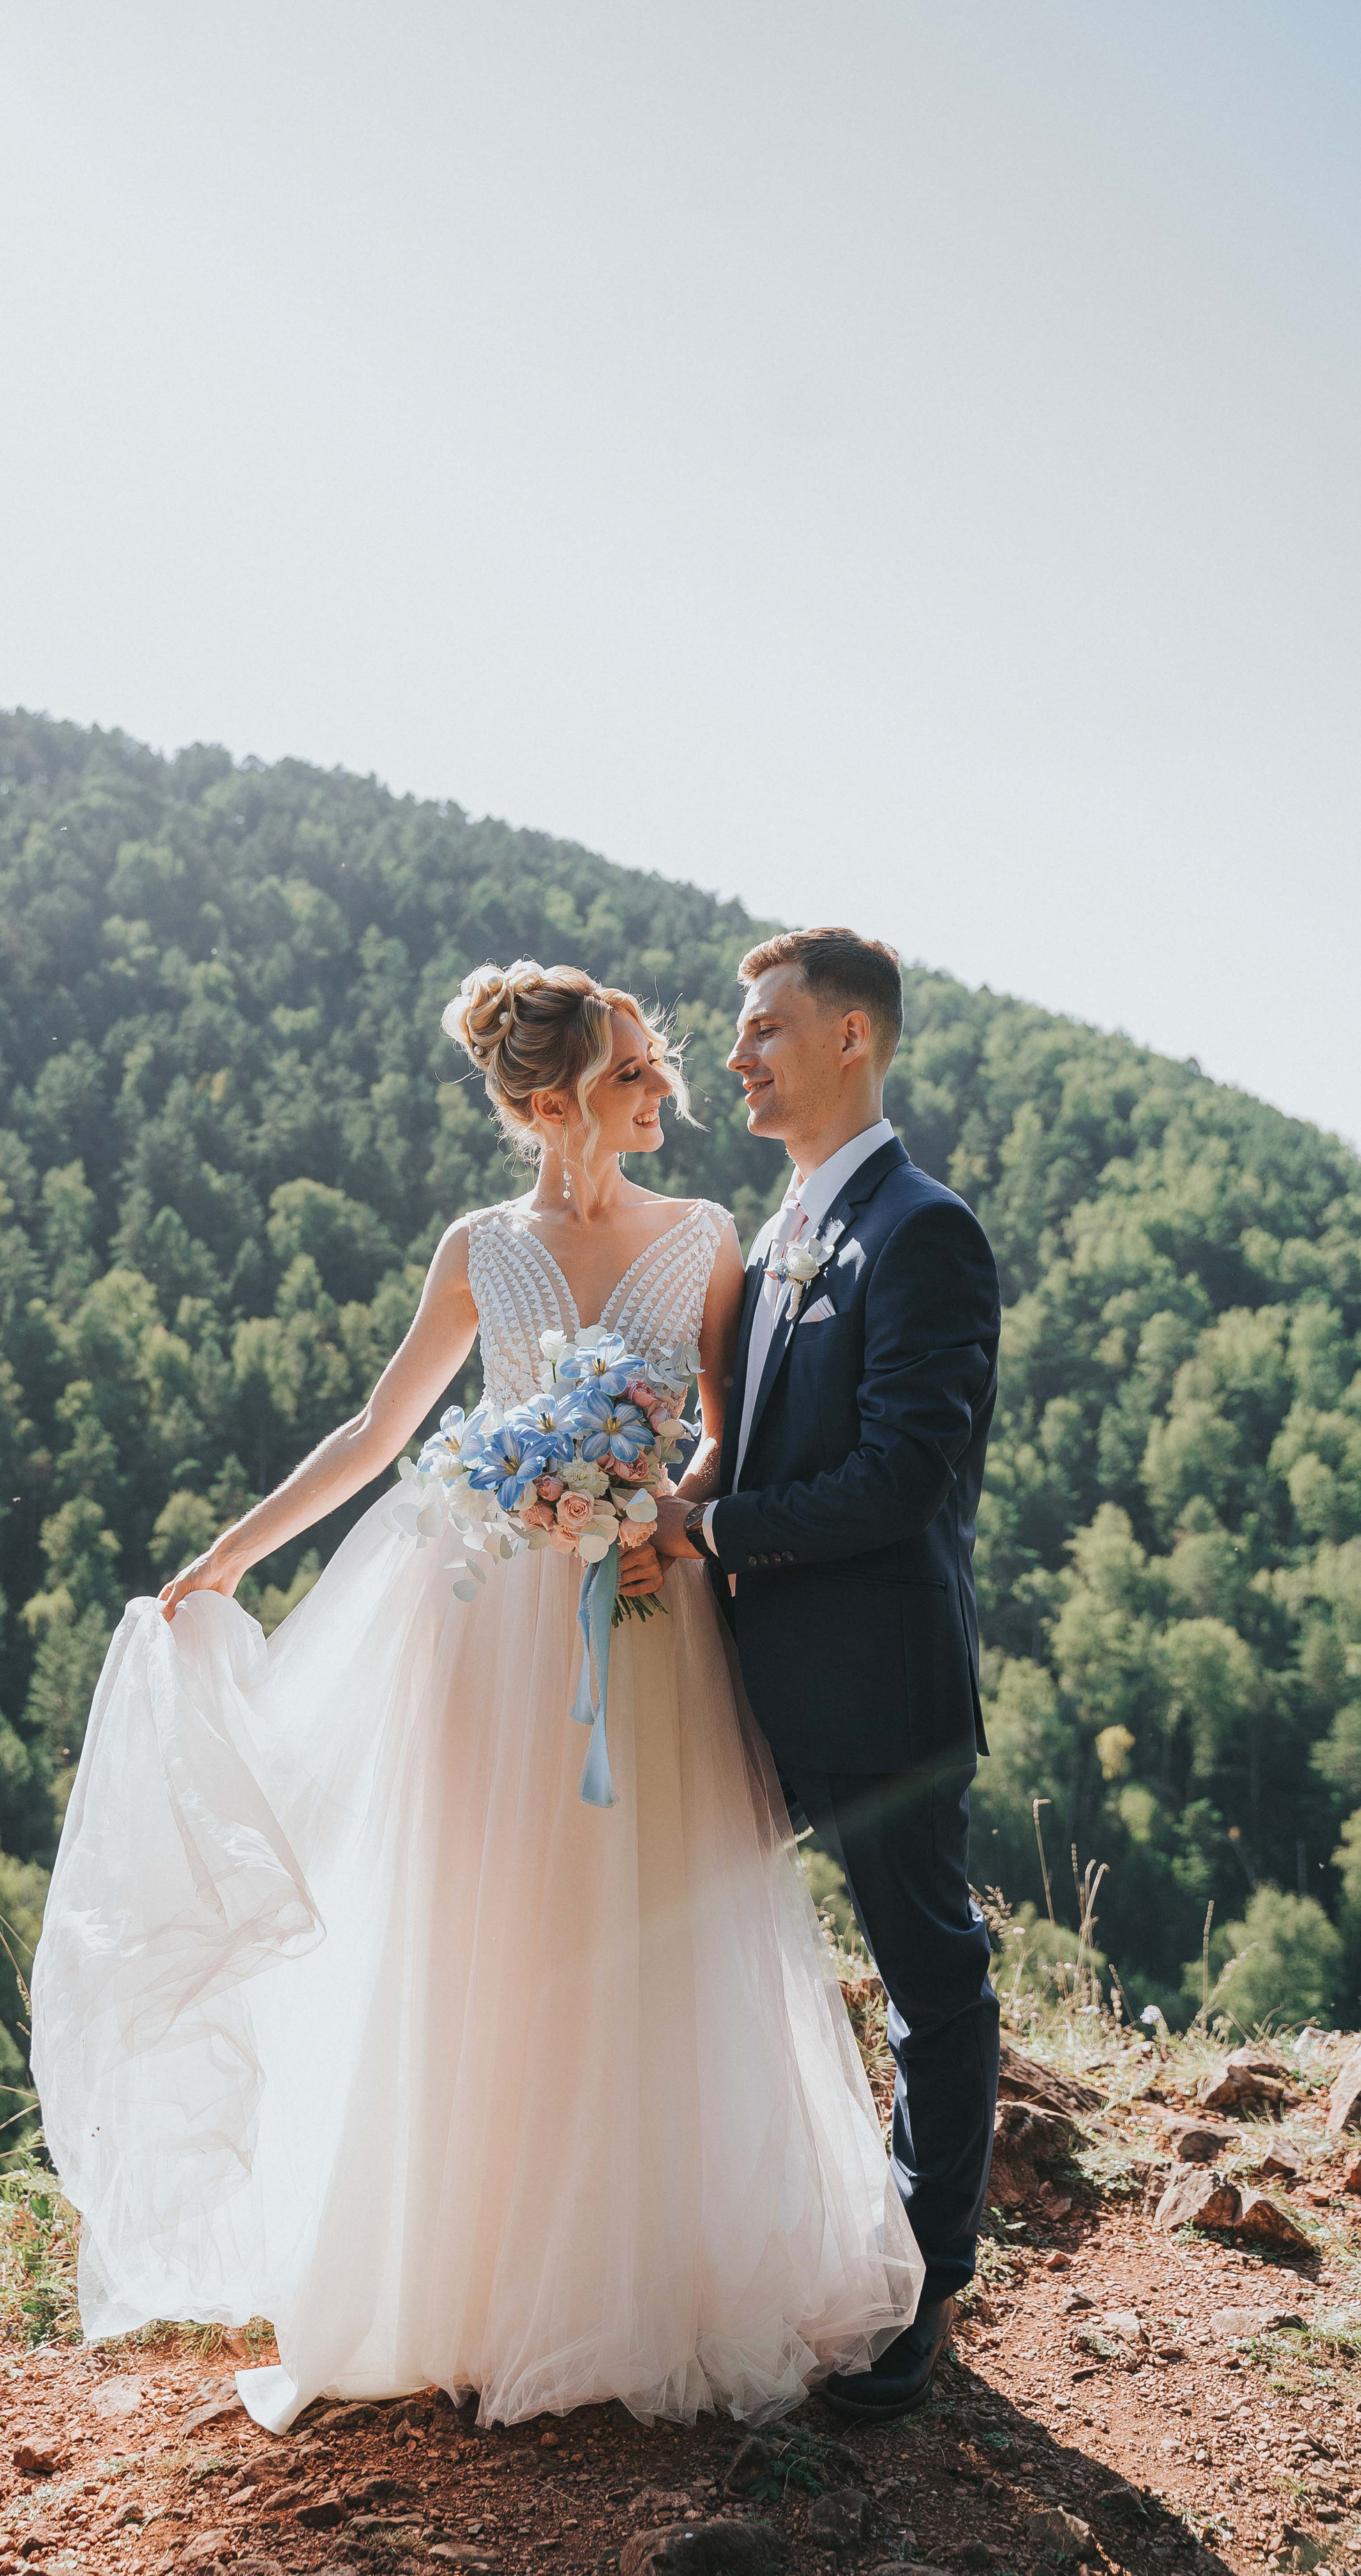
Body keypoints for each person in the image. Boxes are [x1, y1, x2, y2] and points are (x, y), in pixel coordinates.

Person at [32, 957, 922, 2434]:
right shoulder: (476, 1250)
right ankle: (475, 2277)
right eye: (638, 1068)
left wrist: (647, 1522)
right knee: (483, 1935)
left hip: (643, 1621)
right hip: (480, 1635)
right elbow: (380, 1433)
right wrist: (226, 1556)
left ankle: (649, 2273)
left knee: (646, 1934)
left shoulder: (705, 1237)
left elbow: (721, 1443)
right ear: (554, 1099)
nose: (670, 1089)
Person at [650, 927, 1002, 2422]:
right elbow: (755, 1432)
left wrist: (712, 1526)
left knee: (927, 1973)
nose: (736, 1053)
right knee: (686, 1961)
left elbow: (897, 1482)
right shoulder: (785, 1222)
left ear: (849, 1038)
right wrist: (649, 1495)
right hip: (740, 1679)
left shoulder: (921, 1230)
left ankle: (920, 2293)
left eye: (763, 1029)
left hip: (873, 1687)